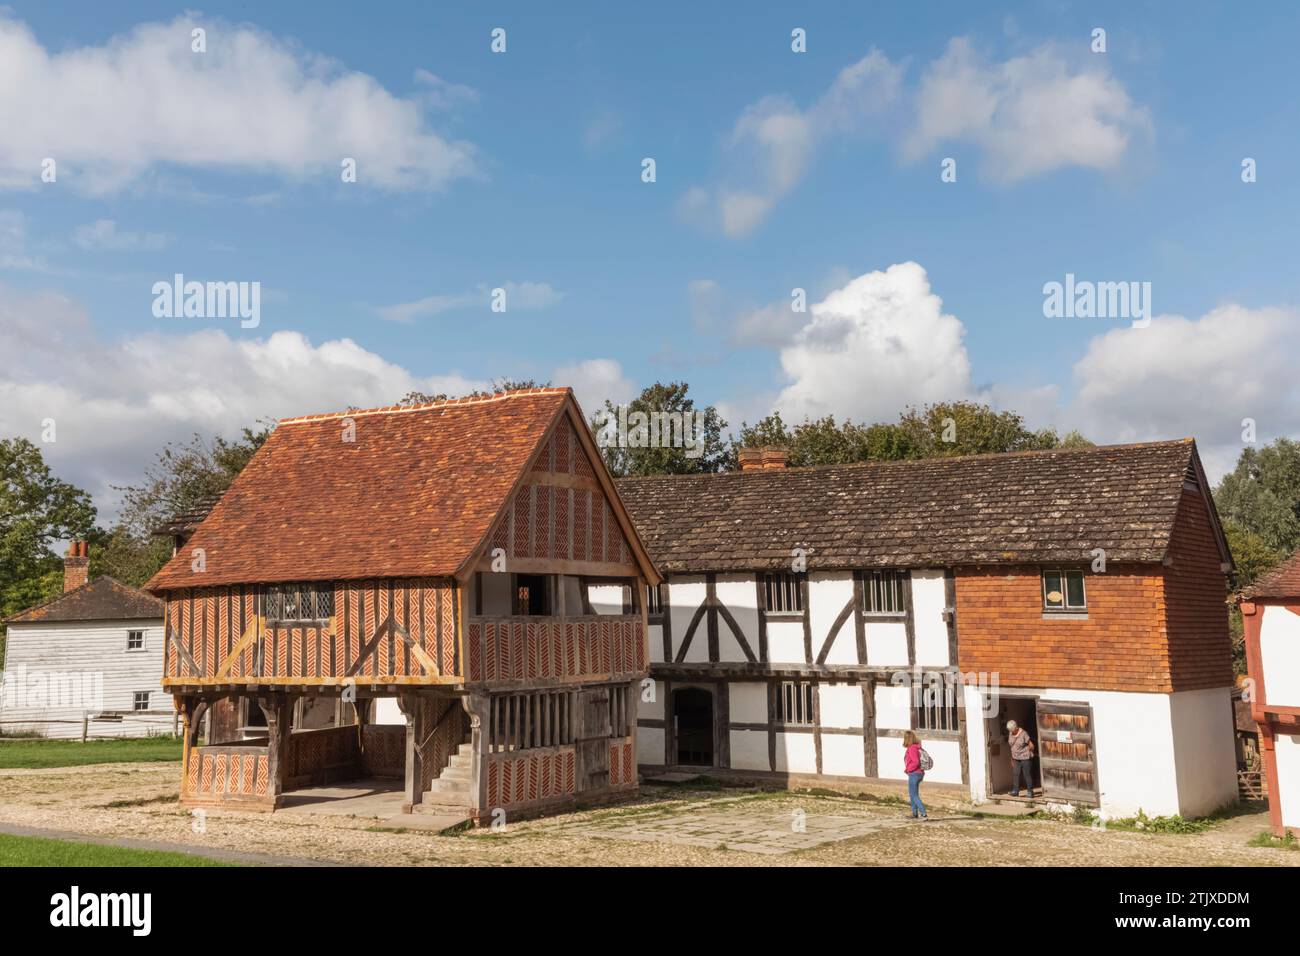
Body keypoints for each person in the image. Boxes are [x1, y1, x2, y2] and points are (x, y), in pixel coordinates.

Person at [903, 730, 928, 820]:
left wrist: (908, 769)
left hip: (914, 773)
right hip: (918, 773)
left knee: (914, 795)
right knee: (912, 794)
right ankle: (914, 813)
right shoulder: (916, 747)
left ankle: (923, 814)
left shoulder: (912, 748)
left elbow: (916, 762)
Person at [1007, 719, 1036, 797]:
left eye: (1012, 730)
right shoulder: (1010, 733)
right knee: (1016, 774)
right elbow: (1012, 746)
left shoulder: (1024, 734)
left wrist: (1028, 752)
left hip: (1025, 758)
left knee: (1027, 774)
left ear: (1016, 728)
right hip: (1015, 758)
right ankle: (1015, 791)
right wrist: (1012, 758)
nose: (1012, 732)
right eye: (1010, 730)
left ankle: (1030, 792)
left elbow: (1031, 745)